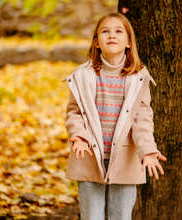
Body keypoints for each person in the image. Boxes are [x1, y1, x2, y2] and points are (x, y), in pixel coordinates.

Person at [63, 12, 167, 220]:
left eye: (119, 31)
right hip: (89, 156)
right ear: (96, 42)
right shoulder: (83, 76)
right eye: (105, 31)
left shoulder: (138, 78)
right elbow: (74, 112)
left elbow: (142, 120)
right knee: (92, 216)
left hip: (125, 158)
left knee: (121, 215)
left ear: (129, 42)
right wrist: (79, 135)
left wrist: (148, 150)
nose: (112, 35)